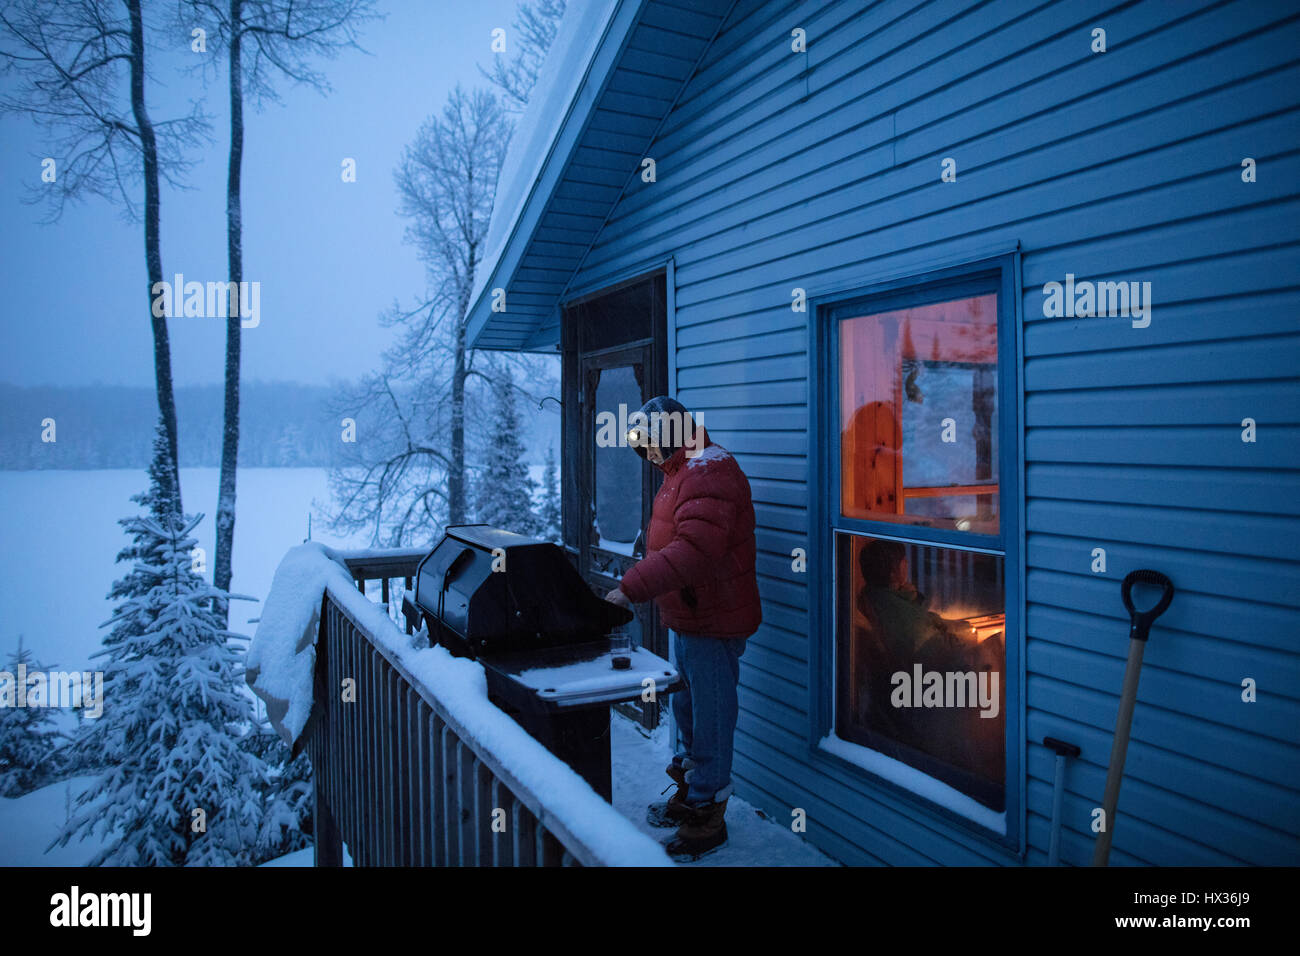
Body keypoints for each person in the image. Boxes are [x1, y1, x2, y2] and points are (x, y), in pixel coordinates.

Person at [604, 396, 761, 858]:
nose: (650, 456)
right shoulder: (680, 473)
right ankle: (690, 793)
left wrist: (632, 588)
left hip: (713, 620)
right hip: (689, 617)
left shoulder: (710, 472)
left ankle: (707, 817)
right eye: (643, 448)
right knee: (690, 715)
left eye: (653, 445)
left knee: (711, 719)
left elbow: (694, 549)